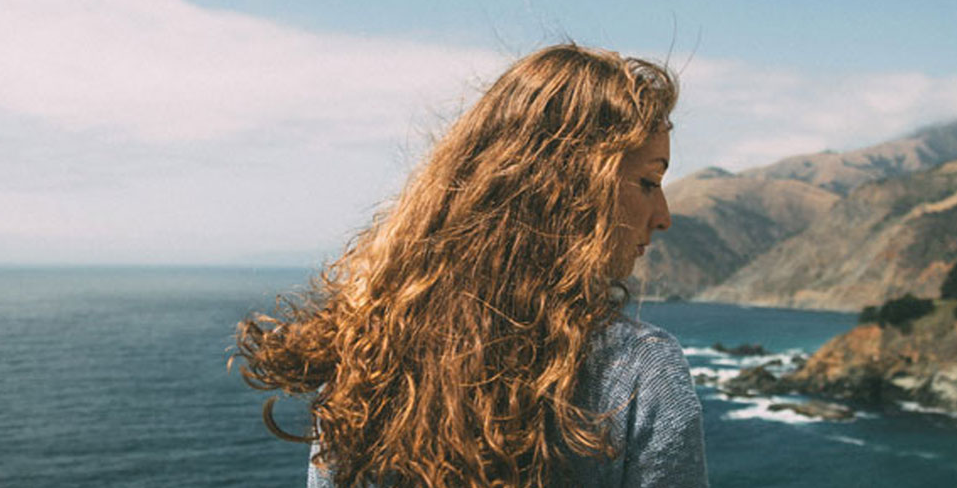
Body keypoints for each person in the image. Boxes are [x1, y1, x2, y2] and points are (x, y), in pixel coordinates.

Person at [233, 43, 709, 487]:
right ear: (572, 191)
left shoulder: (364, 347)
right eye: (648, 182)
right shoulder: (637, 371)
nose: (663, 217)